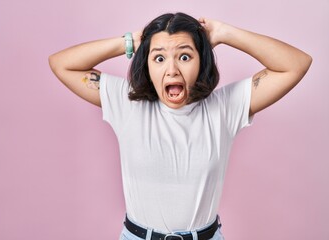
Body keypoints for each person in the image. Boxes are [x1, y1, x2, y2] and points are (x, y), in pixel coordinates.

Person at [49, 12, 311, 240]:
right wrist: (130, 42)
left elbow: (294, 65)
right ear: (147, 64)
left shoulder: (224, 107)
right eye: (159, 58)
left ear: (201, 60)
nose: (172, 70)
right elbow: (62, 64)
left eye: (184, 57)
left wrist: (224, 33)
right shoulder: (127, 103)